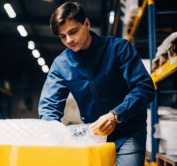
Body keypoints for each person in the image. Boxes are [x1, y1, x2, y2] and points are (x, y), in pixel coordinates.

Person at [38, 1, 155, 166]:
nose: (69, 40)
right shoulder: (61, 64)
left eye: (73, 32)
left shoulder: (119, 49)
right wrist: (53, 131)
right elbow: (49, 106)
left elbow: (144, 87)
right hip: (94, 135)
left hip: (129, 130)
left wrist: (116, 115)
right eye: (62, 36)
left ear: (86, 23)